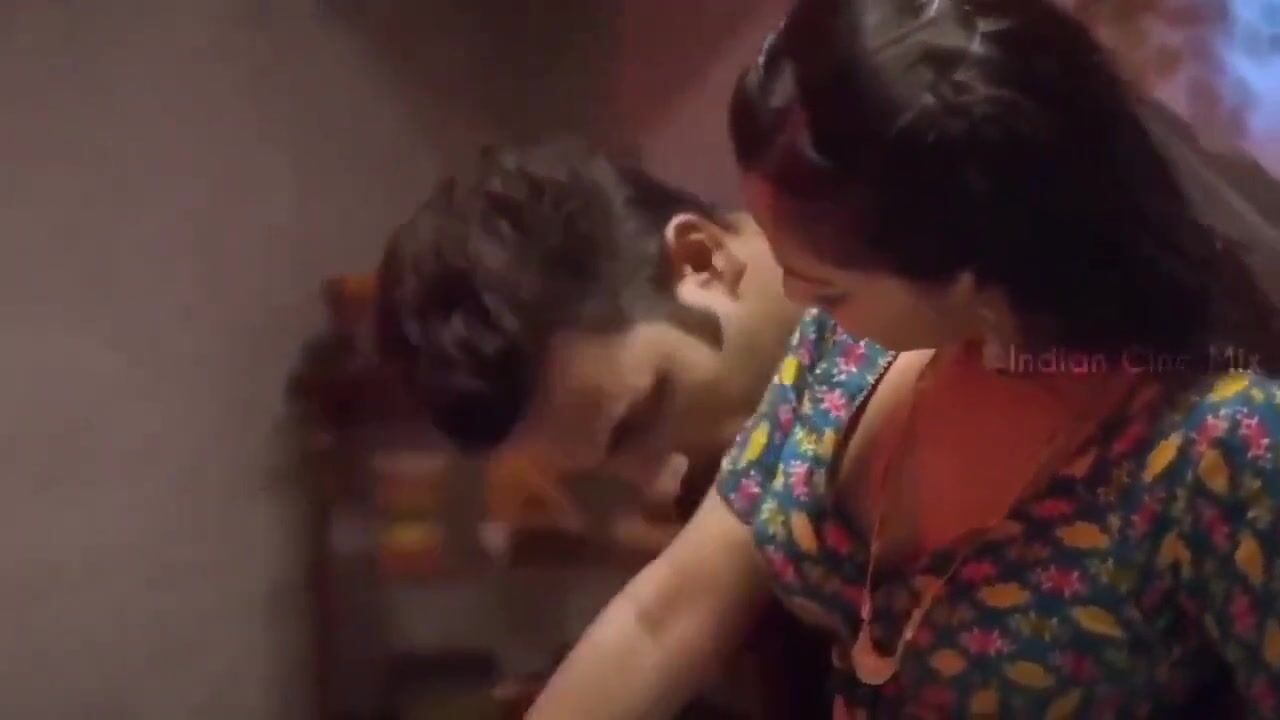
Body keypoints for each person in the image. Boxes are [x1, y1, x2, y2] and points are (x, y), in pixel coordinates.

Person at [526, 0, 1280, 718]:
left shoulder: (1219, 446)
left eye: (828, 287)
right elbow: (664, 616)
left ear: (973, 271)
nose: (790, 294)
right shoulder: (848, 353)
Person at [373, 142, 825, 717]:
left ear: (700, 261)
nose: (659, 483)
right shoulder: (744, 442)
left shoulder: (902, 305)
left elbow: (664, 620)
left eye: (643, 415)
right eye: (606, 467)